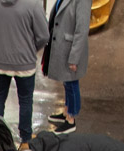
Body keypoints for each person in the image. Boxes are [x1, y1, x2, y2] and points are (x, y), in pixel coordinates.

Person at [0, 0, 49, 143]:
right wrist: (30, 50)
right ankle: (25, 140)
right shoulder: (33, 4)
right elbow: (44, 36)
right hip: (25, 64)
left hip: (0, 61)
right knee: (25, 101)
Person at [41, 0, 92, 134]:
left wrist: (74, 58)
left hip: (70, 49)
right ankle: (66, 111)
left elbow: (82, 29)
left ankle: (71, 119)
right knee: (67, 82)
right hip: (63, 48)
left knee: (72, 83)